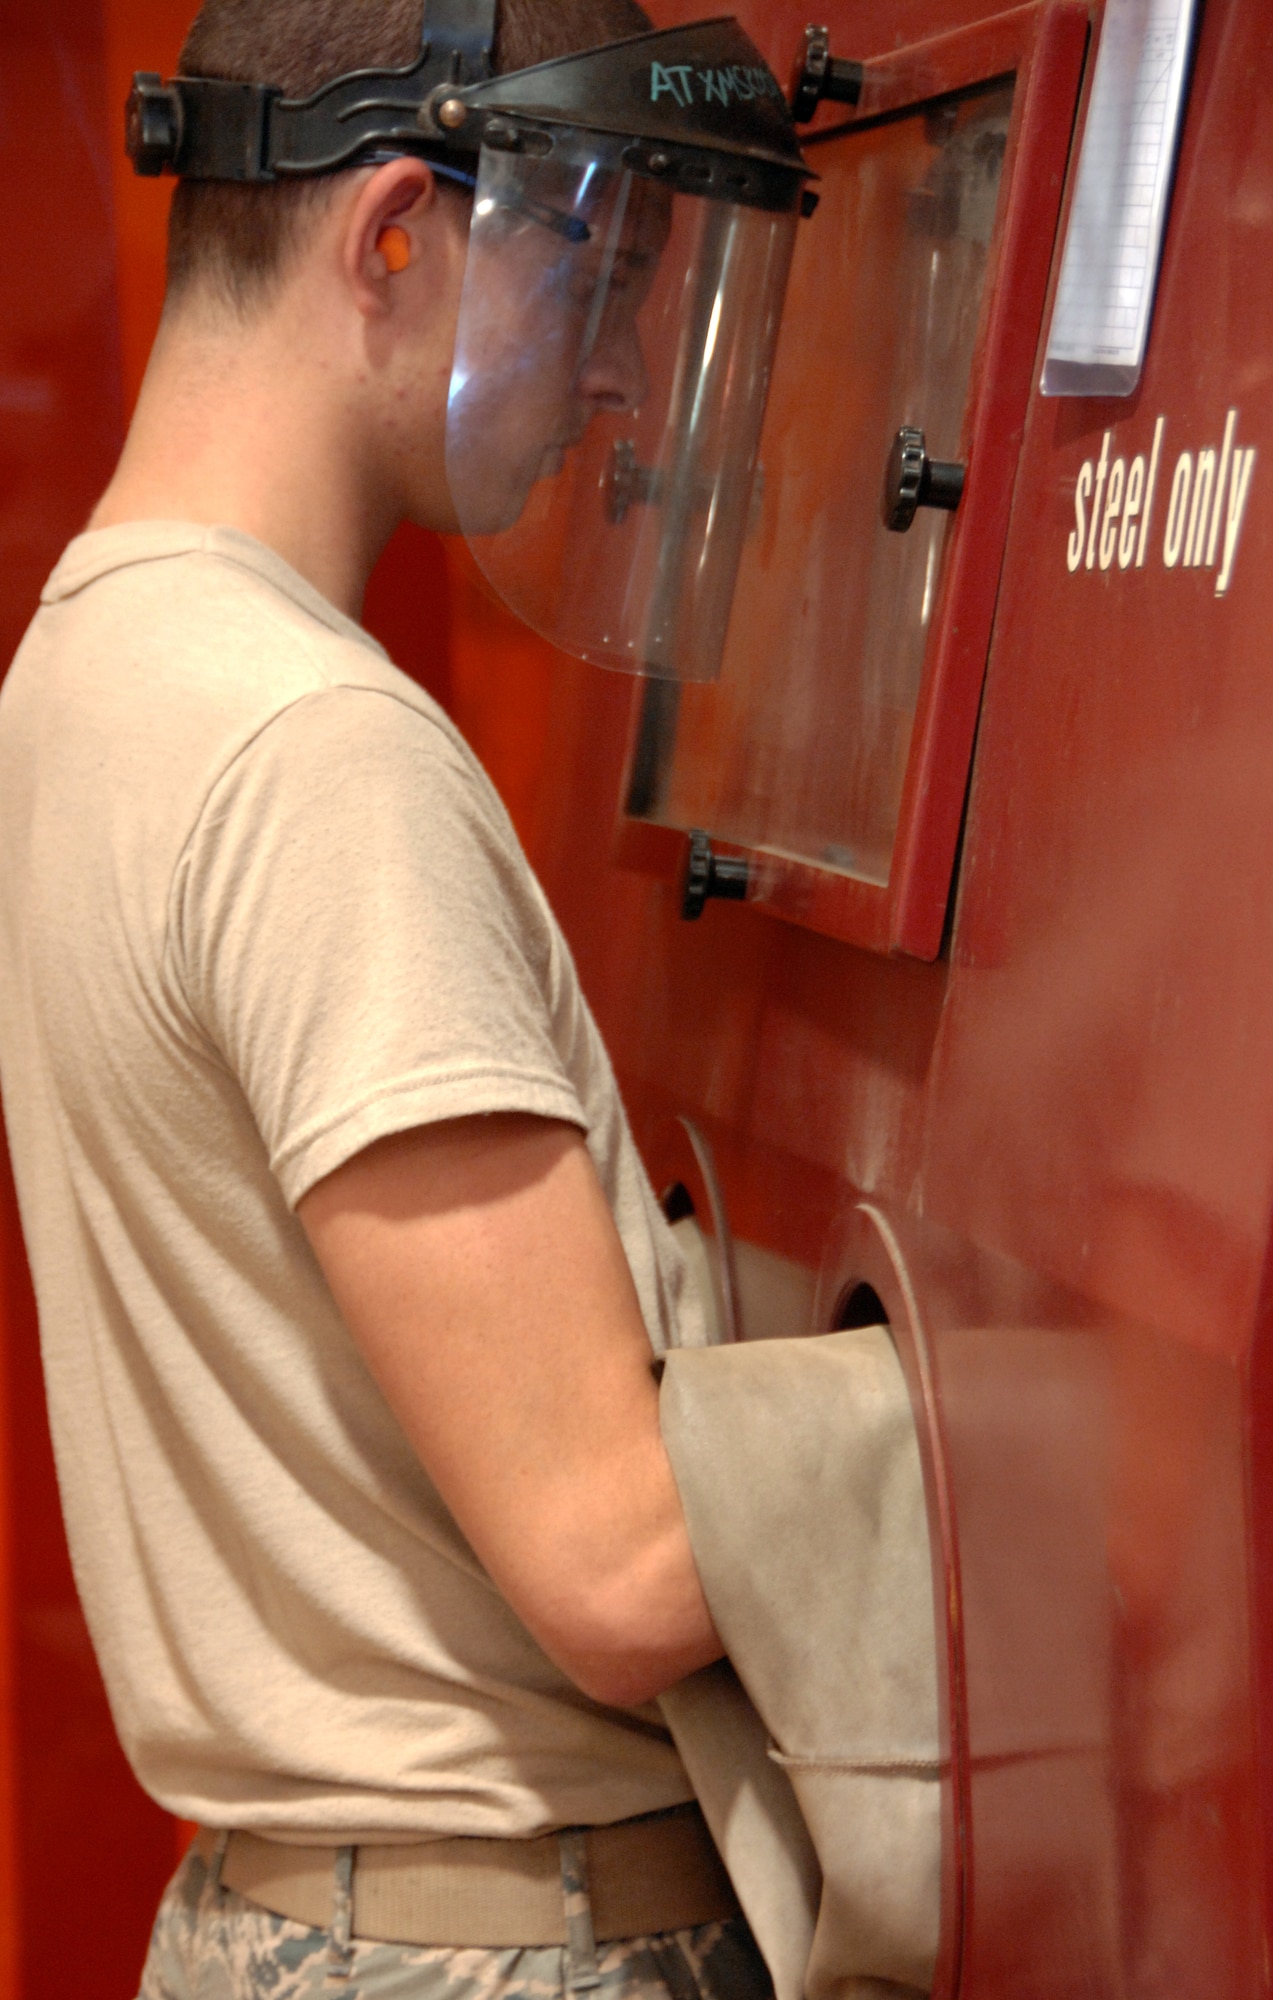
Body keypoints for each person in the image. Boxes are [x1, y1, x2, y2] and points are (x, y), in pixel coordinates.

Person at [0, 1, 806, 1995]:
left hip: (292, 1916)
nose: (620, 369)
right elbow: (613, 1560)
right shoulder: (314, 750)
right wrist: (1060, 1429)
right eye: (593, 266)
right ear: (391, 238)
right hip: (497, 1942)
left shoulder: (81, 673)